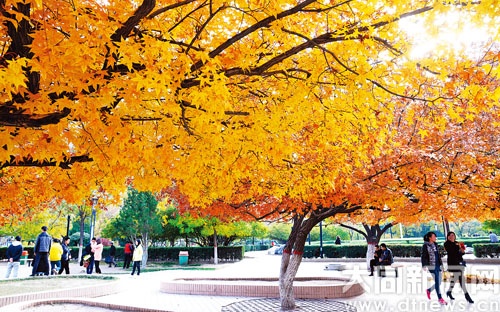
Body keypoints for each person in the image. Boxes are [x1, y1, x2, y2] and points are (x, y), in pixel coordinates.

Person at [444, 232, 474, 303]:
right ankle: (467, 296)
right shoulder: (446, 244)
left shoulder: (457, 243)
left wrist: (462, 248)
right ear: (448, 237)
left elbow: (462, 253)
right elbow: (451, 252)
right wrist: (458, 247)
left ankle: (449, 292)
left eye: (453, 235)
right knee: (461, 279)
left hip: (460, 262)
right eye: (450, 235)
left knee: (455, 278)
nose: (452, 236)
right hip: (452, 263)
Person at [422, 231, 447, 305]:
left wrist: (441, 265)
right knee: (437, 281)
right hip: (431, 266)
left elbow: (438, 256)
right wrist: (424, 265)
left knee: (439, 282)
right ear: (430, 238)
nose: (435, 238)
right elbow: (423, 256)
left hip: (437, 265)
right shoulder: (425, 246)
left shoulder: (435, 244)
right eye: (434, 236)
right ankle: (440, 298)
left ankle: (429, 290)